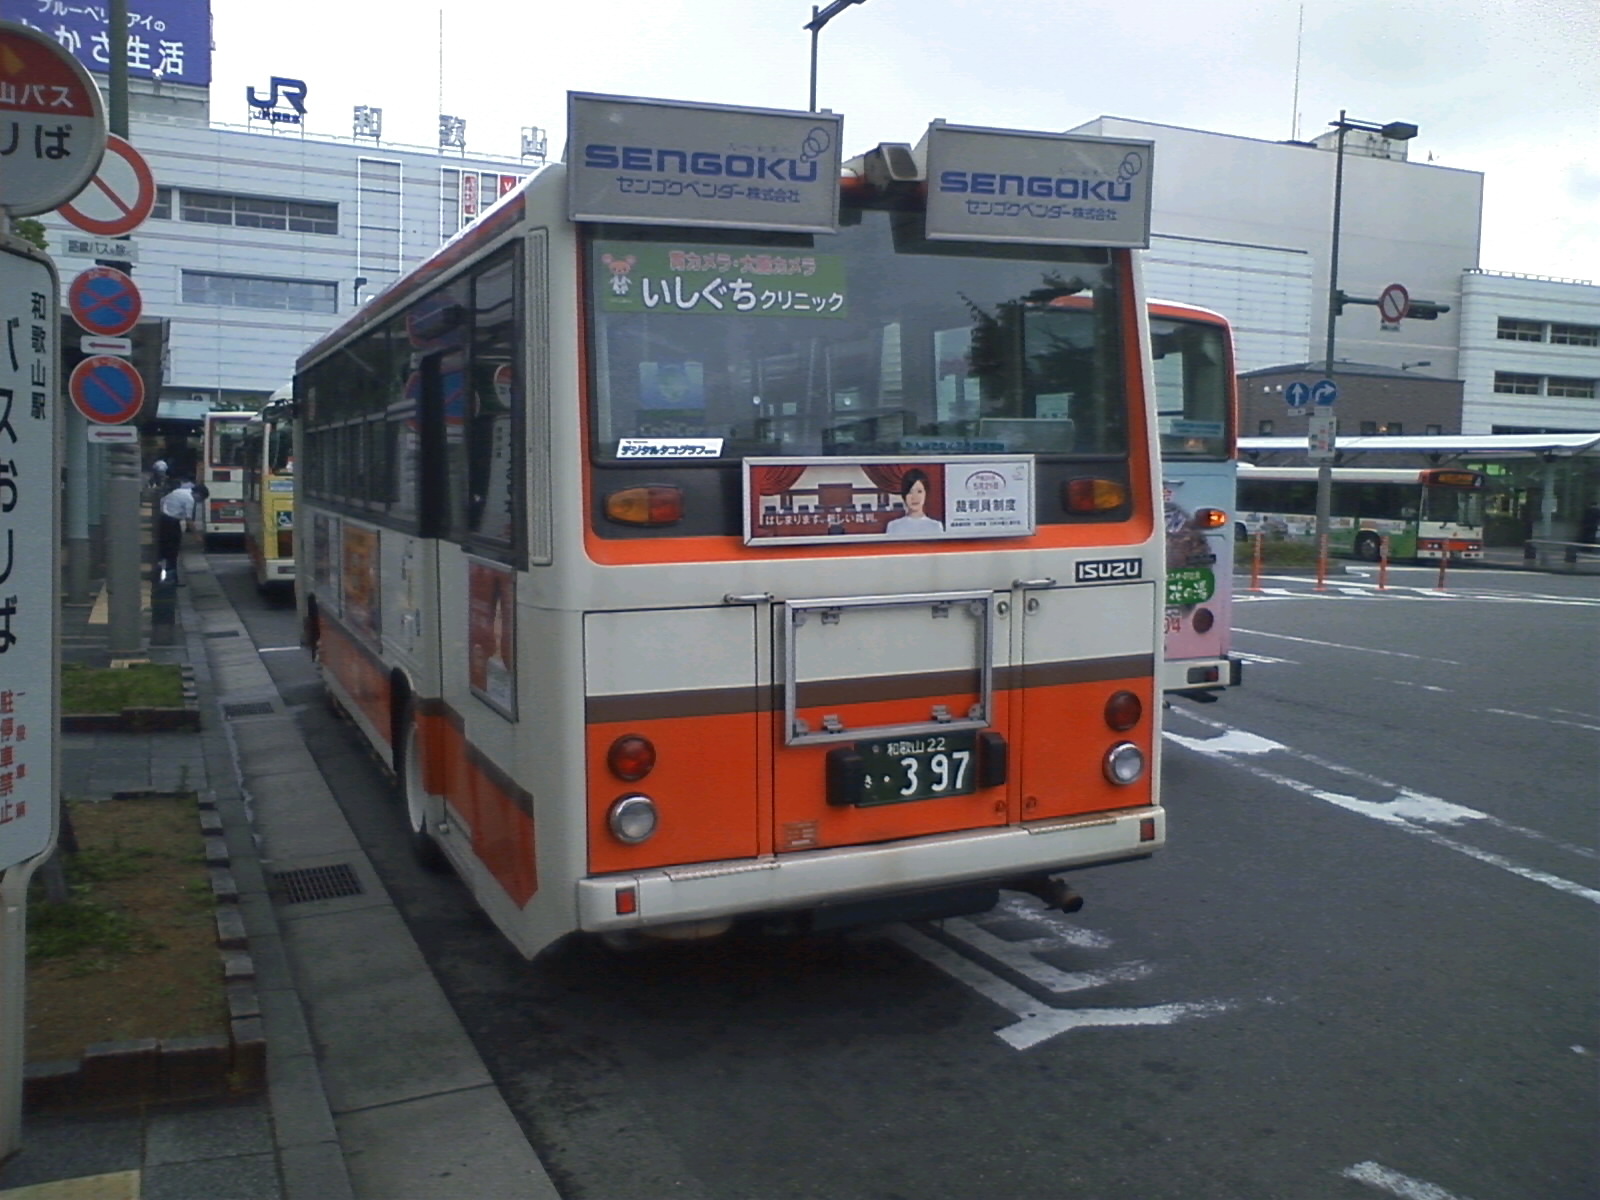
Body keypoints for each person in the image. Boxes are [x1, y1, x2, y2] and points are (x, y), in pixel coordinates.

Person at [884, 468, 944, 537]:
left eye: (919, 491)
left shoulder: (936, 526)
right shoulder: (893, 526)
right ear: (904, 495)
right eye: (910, 492)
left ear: (926, 493)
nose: (914, 497)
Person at [157, 479, 198, 581]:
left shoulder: (180, 491)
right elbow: (189, 519)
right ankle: (171, 578)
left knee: (163, 549)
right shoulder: (190, 499)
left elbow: (163, 500)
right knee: (172, 550)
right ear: (198, 494)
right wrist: (197, 536)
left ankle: (163, 575)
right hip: (172, 523)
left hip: (162, 519)